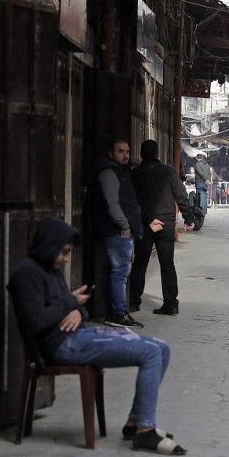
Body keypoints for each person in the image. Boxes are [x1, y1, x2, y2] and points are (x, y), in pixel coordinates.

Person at [8, 216, 186, 455]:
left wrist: (77, 311)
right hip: (62, 345)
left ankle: (134, 422)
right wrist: (71, 303)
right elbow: (37, 319)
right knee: (151, 352)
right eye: (64, 252)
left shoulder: (51, 269)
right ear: (49, 246)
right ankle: (145, 430)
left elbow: (76, 308)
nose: (67, 258)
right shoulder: (26, 273)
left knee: (161, 348)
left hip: (78, 335)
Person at [129, 140, 197, 317]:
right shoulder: (169, 171)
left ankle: (133, 302)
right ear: (158, 153)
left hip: (146, 224)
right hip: (167, 223)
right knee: (167, 264)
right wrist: (189, 218)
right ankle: (171, 304)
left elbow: (134, 202)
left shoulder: (135, 174)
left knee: (140, 263)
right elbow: (181, 195)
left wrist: (148, 219)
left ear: (141, 154)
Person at [91, 137, 143, 329]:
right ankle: (119, 314)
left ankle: (114, 313)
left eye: (127, 152)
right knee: (120, 272)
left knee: (115, 272)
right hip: (117, 231)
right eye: (120, 151)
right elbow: (111, 203)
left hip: (118, 230)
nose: (125, 156)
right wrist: (124, 225)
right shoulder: (109, 173)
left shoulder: (119, 172)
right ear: (111, 153)